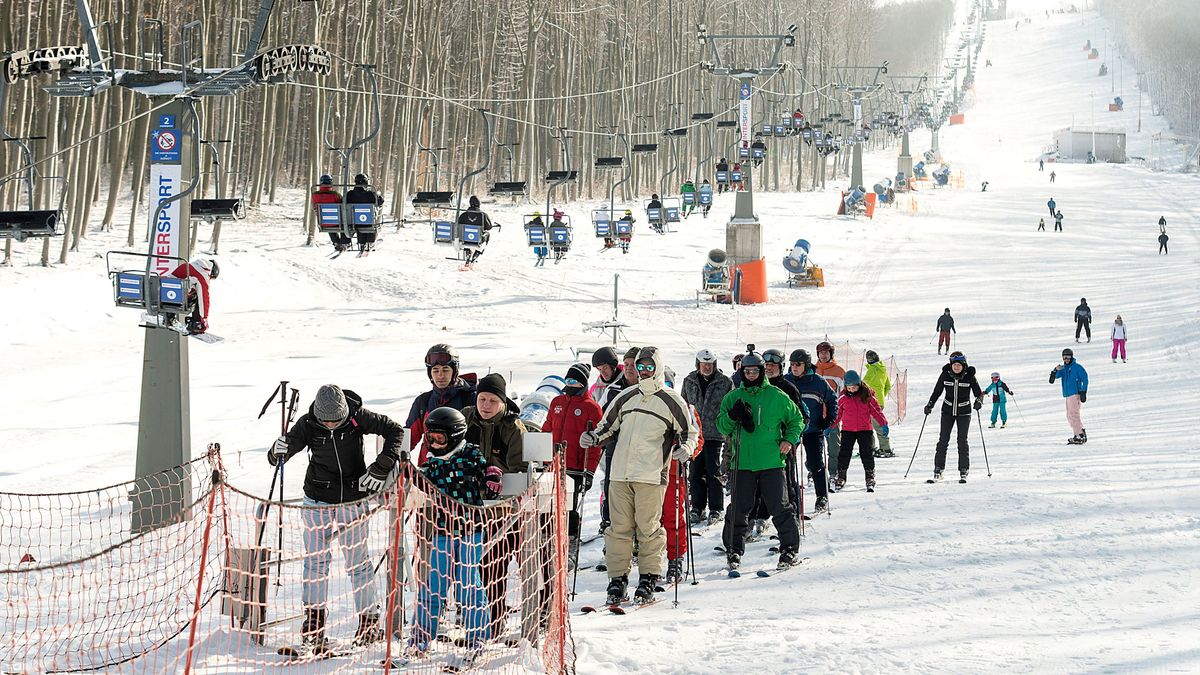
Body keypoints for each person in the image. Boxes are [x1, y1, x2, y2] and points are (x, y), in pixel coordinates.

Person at [269, 384, 405, 654]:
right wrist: (276, 451)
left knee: (358, 562)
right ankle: (314, 626)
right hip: (317, 499)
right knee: (316, 561)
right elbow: (279, 457)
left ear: (345, 411)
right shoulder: (308, 423)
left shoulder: (358, 416)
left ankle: (368, 623)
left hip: (353, 499)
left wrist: (381, 467)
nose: (331, 423)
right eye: (326, 420)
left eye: (336, 419)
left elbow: (395, 431)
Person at [582, 346, 697, 605]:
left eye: (648, 367)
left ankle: (648, 576)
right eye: (639, 366)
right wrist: (592, 437)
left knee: (649, 529)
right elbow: (606, 427)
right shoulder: (625, 397)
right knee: (618, 529)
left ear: (657, 367)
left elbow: (690, 432)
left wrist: (686, 449)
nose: (643, 371)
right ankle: (618, 578)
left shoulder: (671, 400)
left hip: (651, 475)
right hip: (621, 474)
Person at [407, 407, 501, 663]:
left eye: (440, 438)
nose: (435, 444)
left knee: (467, 583)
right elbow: (421, 479)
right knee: (433, 584)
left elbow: (485, 470)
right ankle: (419, 640)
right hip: (441, 530)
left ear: (456, 435)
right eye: (431, 439)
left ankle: (477, 639)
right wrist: (407, 473)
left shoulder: (469, 453)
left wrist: (492, 475)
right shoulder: (431, 462)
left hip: (470, 529)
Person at [716, 352, 806, 572]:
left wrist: (789, 439)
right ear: (742, 373)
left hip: (772, 462)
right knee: (739, 508)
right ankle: (734, 549)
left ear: (762, 372)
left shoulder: (777, 396)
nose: (751, 375)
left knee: (779, 507)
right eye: (747, 372)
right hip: (743, 463)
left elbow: (797, 420)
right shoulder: (733, 397)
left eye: (755, 371)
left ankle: (789, 549)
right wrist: (731, 416)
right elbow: (721, 426)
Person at [544, 363, 603, 569]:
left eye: (575, 381)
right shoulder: (557, 402)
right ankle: (550, 546)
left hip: (576, 468)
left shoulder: (591, 407)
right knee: (549, 507)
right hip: (553, 466)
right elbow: (546, 429)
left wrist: (590, 471)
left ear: (583, 383)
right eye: (568, 380)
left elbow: (596, 444)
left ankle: (570, 547)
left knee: (569, 509)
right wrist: (543, 458)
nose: (571, 384)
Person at [681, 349, 733, 525]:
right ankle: (697, 507)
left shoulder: (724, 382)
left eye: (710, 364)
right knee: (695, 473)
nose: (707, 368)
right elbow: (683, 405)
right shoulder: (689, 381)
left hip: (714, 433)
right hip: (695, 434)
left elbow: (730, 405)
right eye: (703, 364)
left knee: (713, 471)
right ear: (698, 365)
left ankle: (716, 508)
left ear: (715, 365)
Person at [659, 365, 698, 584]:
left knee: (673, 517)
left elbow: (696, 436)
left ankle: (676, 559)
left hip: (673, 471)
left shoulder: (685, 407)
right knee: (648, 521)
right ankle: (651, 562)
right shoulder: (642, 403)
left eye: (667, 385)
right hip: (647, 470)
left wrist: (688, 451)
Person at [784, 349, 835, 514]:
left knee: (815, 463)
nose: (794, 368)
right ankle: (789, 498)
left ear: (806, 365)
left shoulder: (818, 381)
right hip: (792, 430)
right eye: (792, 364)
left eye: (798, 364)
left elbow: (832, 399)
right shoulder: (786, 381)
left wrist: (828, 419)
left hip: (813, 429)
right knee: (788, 464)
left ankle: (822, 495)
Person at [407, 344, 477, 463]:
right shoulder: (423, 402)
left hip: (463, 471)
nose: (440, 375)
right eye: (435, 370)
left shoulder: (472, 398)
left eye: (445, 370)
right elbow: (409, 438)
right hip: (428, 472)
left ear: (454, 371)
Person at [922, 352, 982, 482]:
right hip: (948, 411)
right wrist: (930, 404)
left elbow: (979, 393)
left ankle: (963, 470)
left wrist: (979, 402)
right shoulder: (945, 375)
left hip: (964, 412)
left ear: (963, 365)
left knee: (962, 440)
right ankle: (938, 469)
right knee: (943, 440)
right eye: (954, 364)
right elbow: (937, 391)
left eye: (958, 365)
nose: (956, 367)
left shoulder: (970, 376)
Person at [833, 370, 887, 491]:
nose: (852, 390)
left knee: (867, 454)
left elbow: (876, 411)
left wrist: (883, 423)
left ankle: (870, 476)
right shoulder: (843, 397)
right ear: (845, 386)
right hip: (848, 430)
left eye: (854, 387)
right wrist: (831, 426)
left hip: (865, 430)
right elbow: (837, 414)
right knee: (844, 454)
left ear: (859, 384)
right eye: (849, 387)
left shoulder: (867, 396)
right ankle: (841, 476)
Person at [814, 341, 845, 482]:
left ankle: (833, 473)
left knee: (833, 448)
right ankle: (814, 473)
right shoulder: (812, 369)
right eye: (821, 353)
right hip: (815, 416)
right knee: (815, 448)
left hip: (832, 416)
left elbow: (845, 394)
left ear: (831, 354)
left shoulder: (839, 371)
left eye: (826, 352)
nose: (823, 355)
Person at [168, 257, 219, 335]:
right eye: (211, 278)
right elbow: (204, 298)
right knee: (197, 296)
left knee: (191, 289)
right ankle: (197, 324)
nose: (209, 279)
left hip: (165, 294)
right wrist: (204, 318)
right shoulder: (203, 275)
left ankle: (169, 316)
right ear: (211, 273)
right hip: (176, 297)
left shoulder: (189, 265)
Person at [1050, 348, 1089, 444]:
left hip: (1075, 394)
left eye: (1067, 357)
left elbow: (1085, 378)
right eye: (1064, 358)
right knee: (1069, 416)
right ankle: (1079, 432)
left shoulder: (1077, 367)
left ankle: (1079, 435)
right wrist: (1055, 370)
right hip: (1067, 395)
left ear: (1071, 357)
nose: (1066, 359)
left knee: (1073, 414)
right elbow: (1053, 379)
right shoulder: (1063, 368)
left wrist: (1083, 391)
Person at [862, 350, 893, 457]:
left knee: (874, 425)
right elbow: (888, 386)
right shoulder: (882, 369)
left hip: (871, 402)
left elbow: (863, 385)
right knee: (871, 424)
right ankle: (872, 447)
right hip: (878, 401)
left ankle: (885, 448)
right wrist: (881, 397)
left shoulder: (872, 370)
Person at [345, 173, 383, 254]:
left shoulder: (350, 194)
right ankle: (370, 242)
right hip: (368, 222)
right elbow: (381, 201)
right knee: (368, 222)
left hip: (353, 222)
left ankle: (362, 243)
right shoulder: (370, 194)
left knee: (360, 222)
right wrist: (378, 195)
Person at [311, 174, 349, 251]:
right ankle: (344, 242)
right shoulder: (335, 195)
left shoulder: (315, 195)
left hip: (324, 221)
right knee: (343, 221)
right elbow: (342, 205)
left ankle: (336, 242)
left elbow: (314, 206)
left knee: (329, 220)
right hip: (337, 222)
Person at [457, 195, 496, 263]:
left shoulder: (463, 215)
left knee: (465, 234)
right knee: (487, 234)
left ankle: (468, 253)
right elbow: (489, 227)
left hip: (466, 239)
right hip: (478, 239)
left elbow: (458, 225)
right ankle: (477, 253)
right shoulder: (483, 215)